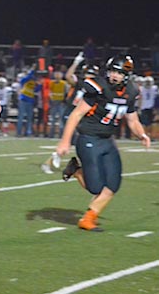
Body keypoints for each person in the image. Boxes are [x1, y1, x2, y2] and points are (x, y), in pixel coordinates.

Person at [56, 54, 150, 232]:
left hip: (107, 141)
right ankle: (76, 170)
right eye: (112, 71)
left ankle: (88, 219)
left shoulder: (131, 91)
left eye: (119, 72)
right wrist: (65, 141)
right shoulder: (99, 87)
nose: (114, 76)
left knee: (113, 184)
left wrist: (142, 134)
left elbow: (132, 120)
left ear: (127, 75)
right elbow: (76, 114)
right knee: (96, 187)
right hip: (88, 138)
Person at [16, 66, 41, 137]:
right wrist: (33, 70)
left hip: (30, 101)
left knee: (29, 118)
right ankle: (19, 132)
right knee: (21, 117)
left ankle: (28, 132)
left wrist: (39, 84)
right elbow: (27, 77)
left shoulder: (35, 82)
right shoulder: (25, 80)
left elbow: (36, 90)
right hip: (23, 100)